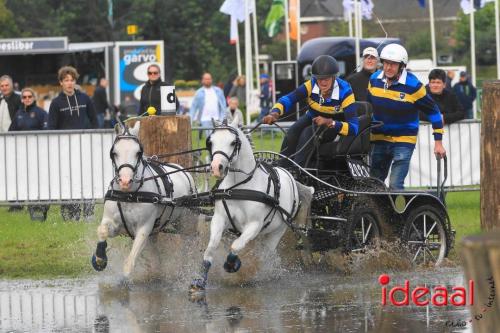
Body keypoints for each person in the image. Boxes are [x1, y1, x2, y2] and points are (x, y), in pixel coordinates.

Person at [367, 44, 446, 190]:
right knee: (373, 183)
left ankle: (396, 214)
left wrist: (438, 143)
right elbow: (368, 107)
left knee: (395, 184)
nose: (388, 67)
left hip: (404, 140)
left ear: (402, 66)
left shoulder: (414, 86)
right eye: (386, 63)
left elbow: (434, 113)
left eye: (393, 64)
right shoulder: (374, 80)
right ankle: (377, 213)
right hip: (378, 139)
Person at [262, 55, 359, 167]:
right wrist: (275, 113)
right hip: (312, 117)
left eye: (326, 79)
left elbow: (354, 128)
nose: (322, 83)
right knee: (292, 132)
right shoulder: (311, 84)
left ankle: (298, 172)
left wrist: (329, 122)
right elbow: (289, 98)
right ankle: (281, 168)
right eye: (319, 79)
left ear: (334, 77)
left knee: (307, 134)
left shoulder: (345, 91)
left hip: (333, 124)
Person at [48, 66, 97, 221]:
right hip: (65, 149)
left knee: (87, 178)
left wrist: (95, 139)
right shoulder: (55, 103)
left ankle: (88, 212)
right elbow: (51, 127)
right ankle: (71, 212)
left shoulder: (85, 98)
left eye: (72, 80)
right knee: (68, 179)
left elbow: (95, 120)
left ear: (75, 81)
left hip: (84, 147)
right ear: (61, 83)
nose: (69, 83)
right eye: (66, 80)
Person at [9, 88, 50, 218]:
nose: (27, 99)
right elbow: (11, 132)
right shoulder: (18, 114)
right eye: (24, 97)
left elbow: (46, 131)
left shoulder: (41, 113)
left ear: (34, 98)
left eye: (29, 97)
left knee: (39, 179)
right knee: (26, 180)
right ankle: (30, 204)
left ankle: (42, 203)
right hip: (22, 155)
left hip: (38, 153)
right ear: (21, 99)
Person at [190, 72, 227, 137]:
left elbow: (223, 106)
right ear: (202, 80)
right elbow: (193, 107)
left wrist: (223, 118)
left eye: (209, 79)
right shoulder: (198, 92)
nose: (208, 80)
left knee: (219, 139)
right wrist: (190, 121)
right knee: (210, 139)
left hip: (218, 119)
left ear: (211, 80)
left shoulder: (218, 91)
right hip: (205, 119)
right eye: (206, 79)